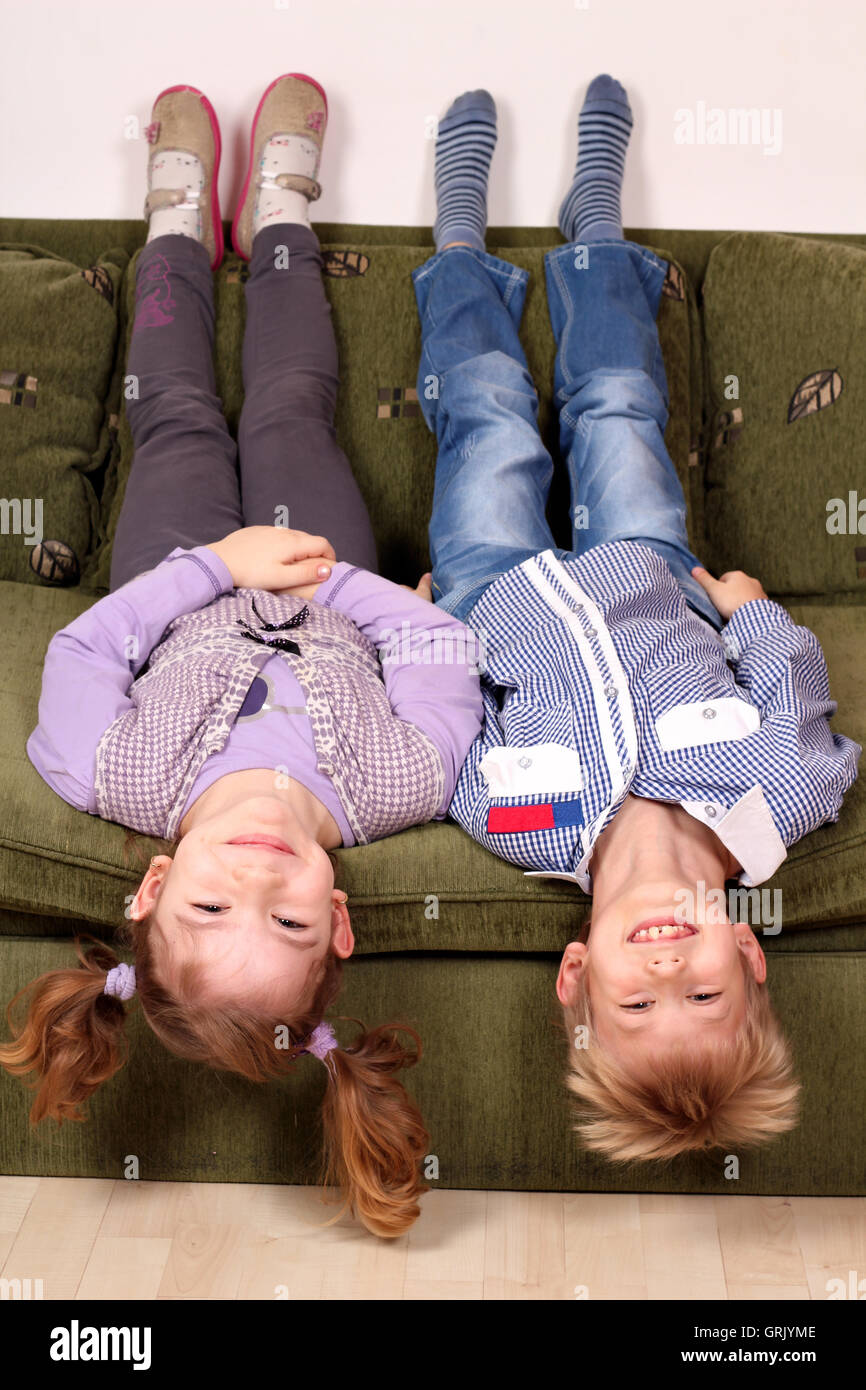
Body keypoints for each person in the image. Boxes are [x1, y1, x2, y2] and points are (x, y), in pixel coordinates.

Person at [1, 75, 483, 1238]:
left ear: (155, 885)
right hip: (319, 567)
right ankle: (279, 216)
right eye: (286, 923)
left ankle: (172, 218)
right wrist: (317, 575)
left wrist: (215, 566)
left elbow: (86, 642)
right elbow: (434, 640)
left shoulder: (113, 776)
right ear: (340, 922)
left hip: (177, 567)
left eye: (212, 905)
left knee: (171, 409)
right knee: (286, 411)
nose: (258, 884)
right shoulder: (402, 784)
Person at [411, 77, 861, 1159]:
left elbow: (452, 736)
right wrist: (750, 616)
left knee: (485, 418)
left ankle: (458, 228)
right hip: (646, 567)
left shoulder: (528, 830)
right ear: (748, 963)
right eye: (702, 1001)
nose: (666, 977)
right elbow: (795, 690)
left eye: (634, 1006)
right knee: (614, 404)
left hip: (490, 589)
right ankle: (596, 219)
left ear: (578, 975)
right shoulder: (774, 803)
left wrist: (418, 637)